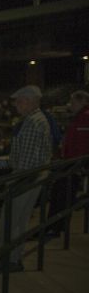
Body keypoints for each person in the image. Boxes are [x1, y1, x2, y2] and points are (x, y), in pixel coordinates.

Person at [0, 85, 52, 272]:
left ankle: (9, 259)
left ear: (29, 101)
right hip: (35, 176)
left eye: (19, 101)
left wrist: (14, 181)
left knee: (10, 219)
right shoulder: (39, 119)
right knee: (20, 220)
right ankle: (13, 258)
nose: (16, 105)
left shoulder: (31, 123)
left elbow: (25, 161)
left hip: (25, 177)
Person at [47, 90, 89, 236]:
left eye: (73, 102)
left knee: (62, 196)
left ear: (83, 101)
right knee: (61, 194)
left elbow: (83, 146)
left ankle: (55, 227)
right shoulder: (79, 117)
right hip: (71, 163)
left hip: (73, 165)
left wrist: (80, 165)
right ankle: (55, 226)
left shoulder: (85, 118)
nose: (71, 105)